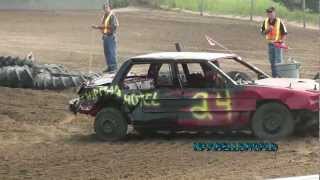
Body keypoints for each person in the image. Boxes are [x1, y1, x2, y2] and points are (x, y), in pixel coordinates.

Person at [92, 1, 119, 73]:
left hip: (110, 37)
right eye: (104, 8)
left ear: (110, 8)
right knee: (107, 52)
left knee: (111, 52)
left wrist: (100, 27)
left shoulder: (112, 15)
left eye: (107, 8)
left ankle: (114, 68)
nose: (105, 9)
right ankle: (110, 67)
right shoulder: (105, 16)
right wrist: (98, 28)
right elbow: (103, 26)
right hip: (105, 37)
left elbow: (115, 26)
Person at [260, 6, 288, 77]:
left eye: (271, 12)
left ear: (274, 13)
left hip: (278, 44)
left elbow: (284, 33)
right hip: (270, 44)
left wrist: (282, 41)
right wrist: (268, 30)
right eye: (268, 13)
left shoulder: (279, 22)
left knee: (278, 62)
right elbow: (262, 33)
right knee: (272, 62)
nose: (270, 14)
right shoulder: (265, 22)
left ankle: (280, 77)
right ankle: (274, 77)